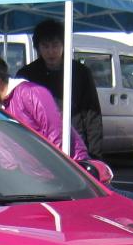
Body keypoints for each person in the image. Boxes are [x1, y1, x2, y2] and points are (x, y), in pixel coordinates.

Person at [0, 50, 88, 163]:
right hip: (34, 174)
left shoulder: (30, 93)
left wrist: (56, 171)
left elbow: (55, 133)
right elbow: (3, 147)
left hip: (68, 167)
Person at [16, 19, 105, 160]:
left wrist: (95, 154)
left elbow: (92, 114)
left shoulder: (80, 72)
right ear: (38, 48)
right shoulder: (27, 74)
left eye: (55, 45)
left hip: (75, 144)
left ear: (64, 45)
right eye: (45, 46)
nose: (51, 52)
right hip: (40, 145)